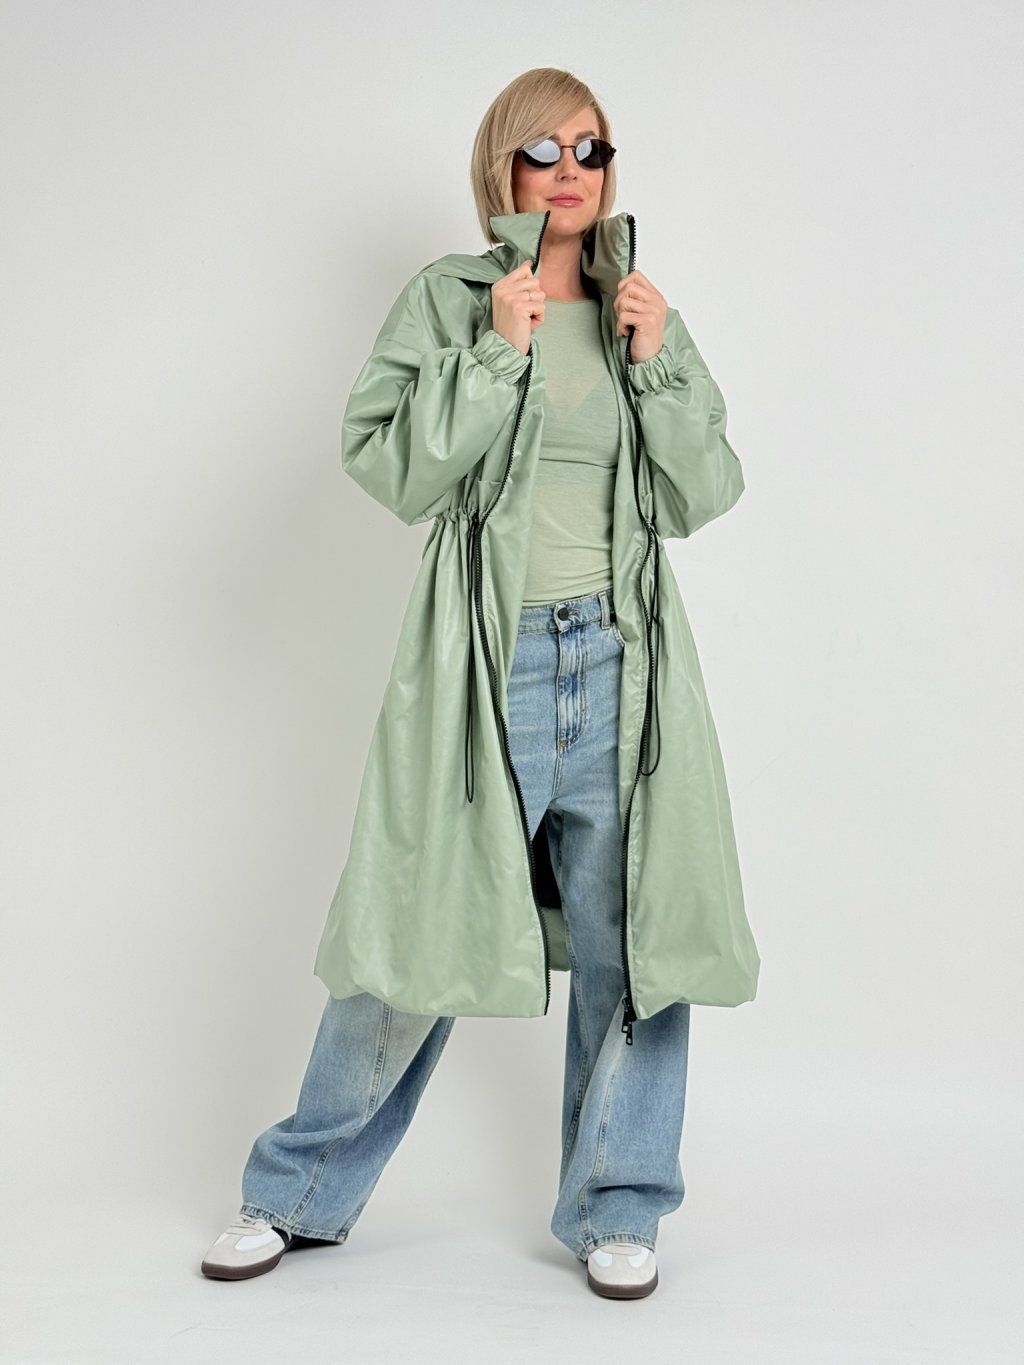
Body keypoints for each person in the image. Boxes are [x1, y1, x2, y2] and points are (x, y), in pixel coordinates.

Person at [200, 66, 759, 1300]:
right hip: (484, 671)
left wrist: (657, 365)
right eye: (543, 150)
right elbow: (392, 468)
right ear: (501, 166)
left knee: (636, 950)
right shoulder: (452, 301)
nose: (570, 172)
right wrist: (497, 355)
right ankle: (292, 1195)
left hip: (622, 667)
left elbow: (702, 493)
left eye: (591, 149)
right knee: (415, 939)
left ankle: (617, 1206)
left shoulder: (639, 310)